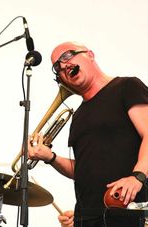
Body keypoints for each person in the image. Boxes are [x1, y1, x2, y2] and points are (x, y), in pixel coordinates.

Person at [28, 41, 148, 227]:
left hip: (128, 209)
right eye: (57, 67)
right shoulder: (78, 116)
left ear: (90, 54)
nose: (64, 65)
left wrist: (137, 177)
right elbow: (85, 170)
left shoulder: (127, 86)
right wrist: (50, 157)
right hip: (88, 218)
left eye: (68, 56)